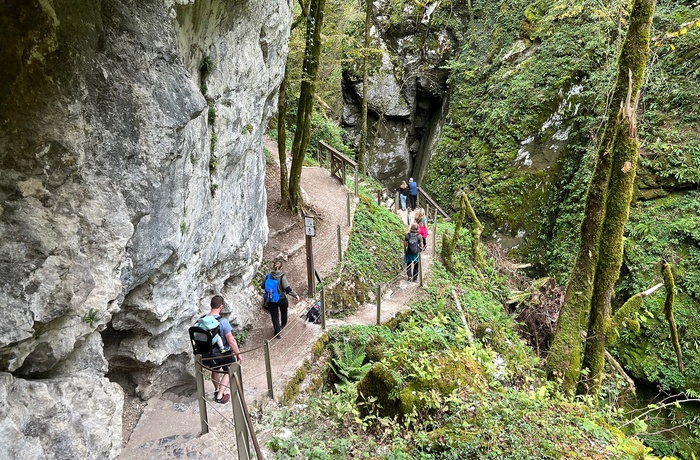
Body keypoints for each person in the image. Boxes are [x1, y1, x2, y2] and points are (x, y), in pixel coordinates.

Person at [206, 295, 243, 404]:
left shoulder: (203, 320)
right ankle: (220, 395)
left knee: (215, 370)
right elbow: (231, 340)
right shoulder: (223, 322)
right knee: (229, 370)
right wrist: (238, 354)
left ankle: (216, 390)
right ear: (221, 307)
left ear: (211, 305)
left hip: (210, 353)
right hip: (223, 353)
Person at [262, 260, 300, 339]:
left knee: (274, 316)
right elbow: (287, 289)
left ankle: (277, 332)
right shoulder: (282, 276)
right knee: (284, 311)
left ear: (273, 267)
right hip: (281, 299)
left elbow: (263, 286)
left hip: (271, 299)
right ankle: (283, 325)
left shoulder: (268, 276)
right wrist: (295, 295)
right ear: (281, 267)